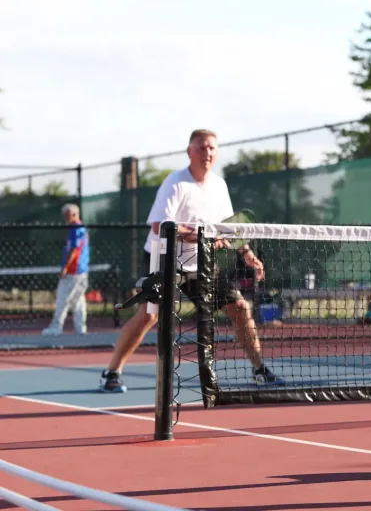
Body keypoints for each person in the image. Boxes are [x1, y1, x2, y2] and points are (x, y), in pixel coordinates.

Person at [99, 129, 282, 393]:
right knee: (149, 317)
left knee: (240, 307)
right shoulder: (175, 183)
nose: (206, 153)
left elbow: (230, 228)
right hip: (163, 259)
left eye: (211, 148)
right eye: (201, 148)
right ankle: (111, 372)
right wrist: (200, 237)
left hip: (201, 264)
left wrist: (248, 254)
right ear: (189, 152)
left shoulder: (219, 185)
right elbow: (158, 227)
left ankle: (260, 369)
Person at [42, 203, 90, 336]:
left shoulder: (76, 228)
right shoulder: (77, 228)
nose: (66, 219)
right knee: (78, 301)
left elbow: (74, 250)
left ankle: (56, 327)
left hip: (73, 272)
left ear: (75, 214)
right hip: (80, 271)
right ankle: (81, 329)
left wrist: (65, 268)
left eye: (68, 216)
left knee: (62, 298)